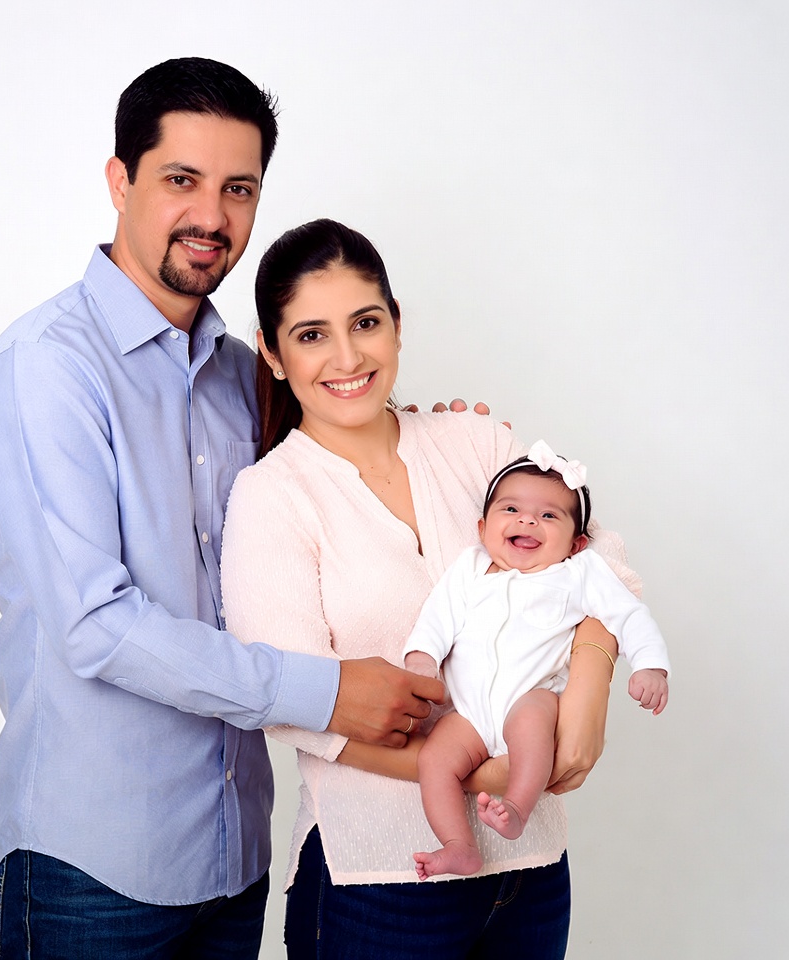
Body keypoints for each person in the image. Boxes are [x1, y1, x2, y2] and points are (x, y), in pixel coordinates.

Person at [0, 60, 443, 959]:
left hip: (235, 855)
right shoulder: (45, 371)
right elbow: (97, 627)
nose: (213, 217)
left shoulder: (240, 374)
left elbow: (336, 490)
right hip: (89, 866)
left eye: (239, 188)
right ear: (120, 180)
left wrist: (450, 440)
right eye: (182, 180)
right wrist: (330, 693)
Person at [221, 218, 641, 959]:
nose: (348, 357)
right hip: (378, 879)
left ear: (398, 326)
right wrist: (484, 772)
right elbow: (290, 704)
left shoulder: (474, 444)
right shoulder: (271, 496)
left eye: (366, 323)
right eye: (312, 334)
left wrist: (590, 693)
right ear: (273, 353)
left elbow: (597, 553)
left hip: (532, 871)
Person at [402, 443, 670, 880]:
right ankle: (458, 845)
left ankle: (518, 807)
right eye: (511, 509)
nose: (527, 520)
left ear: (576, 543)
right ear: (483, 526)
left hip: (533, 695)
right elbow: (436, 619)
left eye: (549, 516)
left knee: (531, 724)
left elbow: (628, 614)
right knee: (435, 760)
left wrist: (650, 664)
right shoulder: (469, 568)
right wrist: (421, 660)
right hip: (467, 711)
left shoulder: (578, 573)